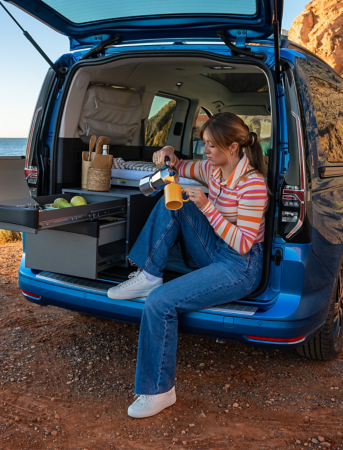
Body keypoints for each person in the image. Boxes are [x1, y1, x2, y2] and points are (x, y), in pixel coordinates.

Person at [107, 112, 269, 418]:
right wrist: (169, 154)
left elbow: (243, 243)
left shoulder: (253, 184)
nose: (204, 150)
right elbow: (181, 165)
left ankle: (158, 392)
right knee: (175, 197)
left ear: (233, 147)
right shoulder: (213, 168)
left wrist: (207, 206)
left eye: (210, 145)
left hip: (240, 266)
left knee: (158, 303)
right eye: (203, 143)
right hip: (217, 249)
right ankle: (150, 273)